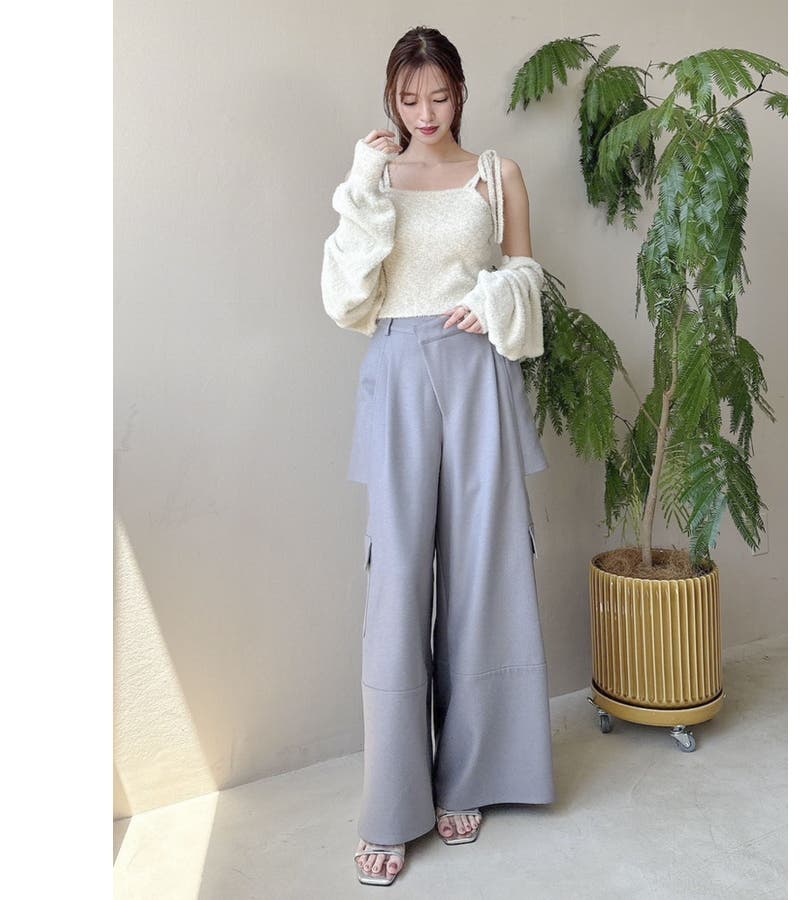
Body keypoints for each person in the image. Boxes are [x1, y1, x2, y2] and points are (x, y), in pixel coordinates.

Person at [321, 26, 555, 887]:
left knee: (483, 570)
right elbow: (346, 295)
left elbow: (528, 274)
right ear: (392, 98)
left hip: (479, 372)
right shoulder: (376, 179)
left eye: (440, 96)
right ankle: (391, 805)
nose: (425, 113)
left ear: (461, 91)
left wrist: (493, 297)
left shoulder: (497, 174)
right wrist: (360, 183)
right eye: (409, 98)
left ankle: (470, 776)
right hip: (396, 370)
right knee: (397, 581)